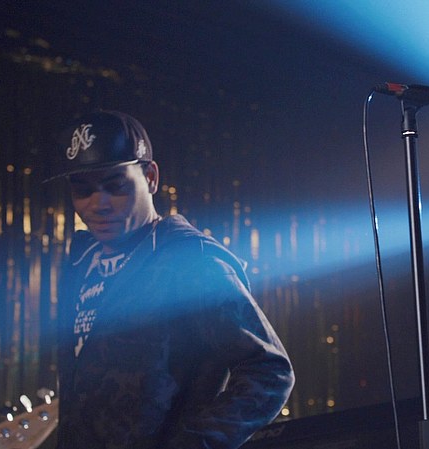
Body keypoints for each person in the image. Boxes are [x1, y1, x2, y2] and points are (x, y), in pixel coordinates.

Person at [44, 110, 294, 449]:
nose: (98, 204)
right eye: (82, 190)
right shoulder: (80, 263)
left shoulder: (191, 262)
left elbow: (269, 371)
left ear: (150, 177)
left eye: (115, 186)